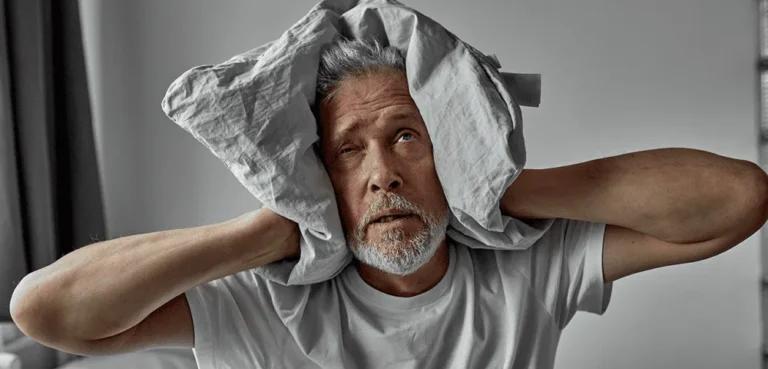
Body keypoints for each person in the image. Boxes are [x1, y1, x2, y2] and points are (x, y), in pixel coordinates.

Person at [9, 38, 768, 368]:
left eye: (408, 137)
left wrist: (490, 188)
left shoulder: (527, 266)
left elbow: (739, 198)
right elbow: (43, 311)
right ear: (315, 172)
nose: (381, 173)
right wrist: (272, 228)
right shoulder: (255, 301)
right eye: (347, 149)